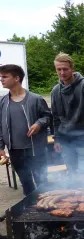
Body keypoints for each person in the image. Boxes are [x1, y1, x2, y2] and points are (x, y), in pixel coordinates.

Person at [0, 64, 51, 196]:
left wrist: (39, 123)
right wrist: (1, 146)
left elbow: (48, 117)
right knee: (26, 182)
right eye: (1, 77)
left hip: (36, 149)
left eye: (5, 76)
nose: (1, 79)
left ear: (16, 78)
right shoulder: (2, 102)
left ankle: (46, 210)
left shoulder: (36, 99)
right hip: (15, 151)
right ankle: (30, 211)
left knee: (42, 181)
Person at [51, 53, 84, 177]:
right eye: (59, 69)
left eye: (65, 69)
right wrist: (57, 139)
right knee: (72, 174)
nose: (62, 72)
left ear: (72, 69)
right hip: (66, 141)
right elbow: (56, 118)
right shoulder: (55, 91)